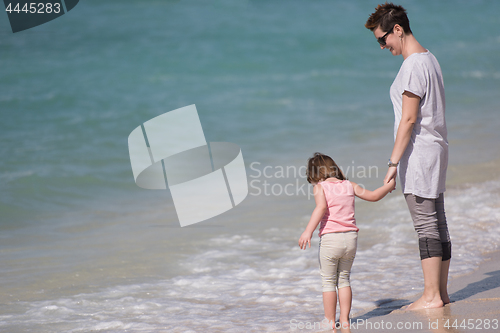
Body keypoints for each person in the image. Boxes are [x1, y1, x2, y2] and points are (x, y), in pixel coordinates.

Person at [365, 3, 451, 310]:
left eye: (382, 38)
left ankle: (431, 296)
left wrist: (392, 163)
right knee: (437, 220)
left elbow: (409, 119)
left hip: (420, 154)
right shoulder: (430, 59)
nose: (382, 46)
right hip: (436, 149)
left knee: (426, 225)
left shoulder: (413, 65)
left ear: (397, 30)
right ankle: (440, 293)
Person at [298, 153, 395, 332]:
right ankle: (344, 320)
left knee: (328, 281)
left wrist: (308, 231)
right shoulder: (349, 185)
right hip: (350, 238)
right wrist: (388, 186)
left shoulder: (320, 187)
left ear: (315, 174)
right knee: (343, 279)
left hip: (330, 239)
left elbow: (321, 208)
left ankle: (329, 320)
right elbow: (373, 196)